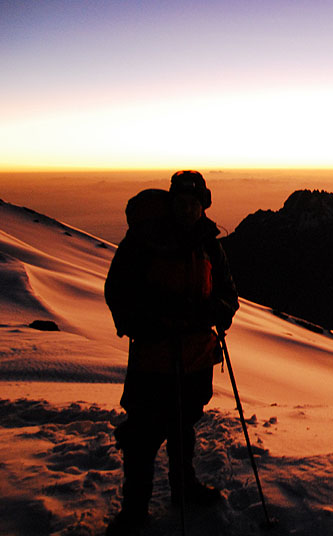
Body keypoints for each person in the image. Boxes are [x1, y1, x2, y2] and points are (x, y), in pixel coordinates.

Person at [104, 171, 239, 535]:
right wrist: (151, 323)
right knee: (142, 437)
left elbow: (228, 292)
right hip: (154, 359)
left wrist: (217, 311)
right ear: (171, 202)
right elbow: (118, 291)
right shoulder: (145, 241)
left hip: (195, 357)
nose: (189, 209)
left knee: (183, 426)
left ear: (203, 205)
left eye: (195, 203)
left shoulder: (209, 244)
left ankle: (184, 488)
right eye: (182, 202)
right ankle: (134, 510)